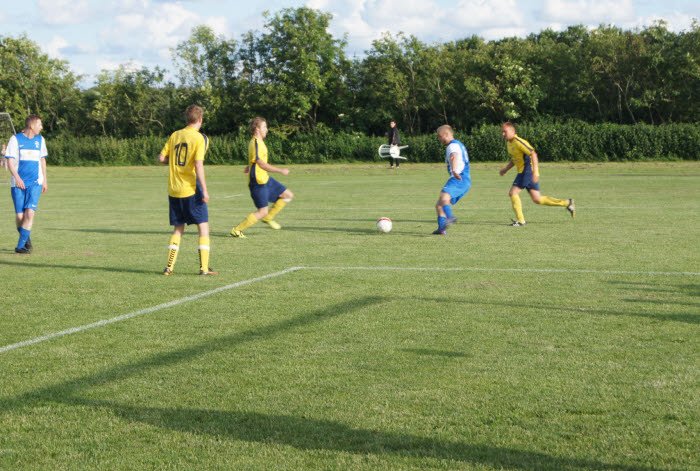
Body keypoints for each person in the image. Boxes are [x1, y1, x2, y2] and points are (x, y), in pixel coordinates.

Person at [159, 105, 217, 275]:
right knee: (203, 226)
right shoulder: (199, 138)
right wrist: (204, 190)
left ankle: (169, 267)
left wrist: (172, 162)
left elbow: (161, 158)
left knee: (178, 229)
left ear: (187, 119)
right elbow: (198, 165)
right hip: (190, 189)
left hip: (173, 189)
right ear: (200, 119)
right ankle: (204, 268)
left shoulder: (175, 135)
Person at [499, 122, 575, 226]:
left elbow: (533, 154)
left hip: (527, 172)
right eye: (502, 132)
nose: (503, 134)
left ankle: (521, 221)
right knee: (537, 199)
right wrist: (505, 169)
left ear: (512, 131)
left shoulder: (519, 142)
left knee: (513, 193)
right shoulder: (509, 143)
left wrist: (536, 172)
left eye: (505, 131)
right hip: (524, 172)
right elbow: (515, 159)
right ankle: (567, 203)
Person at [229, 117, 293, 238]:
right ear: (257, 129)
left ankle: (268, 217)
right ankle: (237, 230)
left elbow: (255, 160)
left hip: (265, 179)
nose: (266, 129)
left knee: (287, 195)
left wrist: (249, 166)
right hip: (258, 183)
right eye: (264, 127)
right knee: (262, 211)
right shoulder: (256, 143)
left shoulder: (258, 142)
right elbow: (261, 163)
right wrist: (280, 170)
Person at [4, 114, 48, 254]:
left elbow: (42, 160)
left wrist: (45, 180)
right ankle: (25, 237)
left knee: (30, 213)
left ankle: (20, 246)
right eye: (39, 124)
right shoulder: (15, 139)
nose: (41, 127)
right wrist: (17, 178)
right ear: (32, 125)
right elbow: (10, 162)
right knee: (20, 216)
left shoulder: (40, 140)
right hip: (18, 184)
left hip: (35, 183)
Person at [433, 125, 471, 235]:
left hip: (459, 178)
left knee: (443, 197)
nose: (439, 139)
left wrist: (454, 170)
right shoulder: (458, 144)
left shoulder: (452, 146)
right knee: (439, 205)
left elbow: (454, 156)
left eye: (440, 136)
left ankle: (450, 217)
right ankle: (441, 229)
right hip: (464, 180)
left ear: (446, 134)